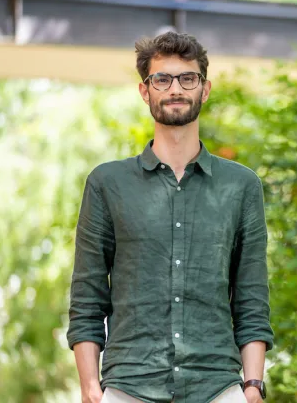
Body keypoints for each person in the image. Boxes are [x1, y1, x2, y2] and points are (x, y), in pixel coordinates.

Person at [66, 31, 273, 403]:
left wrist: (253, 386)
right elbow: (88, 296)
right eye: (162, 79)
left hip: (217, 386)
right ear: (145, 91)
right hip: (129, 384)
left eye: (187, 78)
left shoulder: (241, 186)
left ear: (204, 90)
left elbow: (251, 296)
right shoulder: (107, 184)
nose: (175, 88)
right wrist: (90, 387)